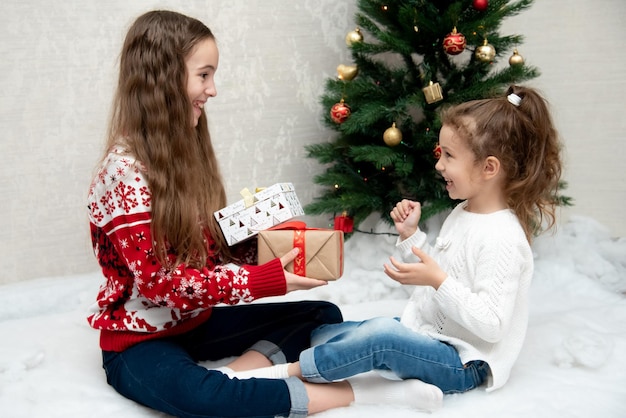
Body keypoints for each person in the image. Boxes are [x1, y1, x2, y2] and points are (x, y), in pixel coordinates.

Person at [87, 10, 438, 418]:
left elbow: (204, 255)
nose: (212, 90)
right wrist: (264, 280)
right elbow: (160, 284)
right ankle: (368, 396)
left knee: (321, 314)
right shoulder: (123, 172)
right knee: (203, 398)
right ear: (163, 78)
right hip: (136, 342)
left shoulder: (182, 156)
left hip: (194, 323)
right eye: (203, 75)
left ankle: (239, 377)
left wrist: (267, 246)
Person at [227, 85, 563, 404]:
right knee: (337, 331)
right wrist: (410, 237)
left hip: (462, 363)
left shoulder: (503, 237)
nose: (439, 165)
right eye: (439, 153)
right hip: (427, 335)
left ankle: (287, 373)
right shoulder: (463, 212)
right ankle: (295, 357)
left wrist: (438, 280)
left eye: (448, 156)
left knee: (381, 337)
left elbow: (492, 325)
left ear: (489, 167)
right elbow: (438, 287)